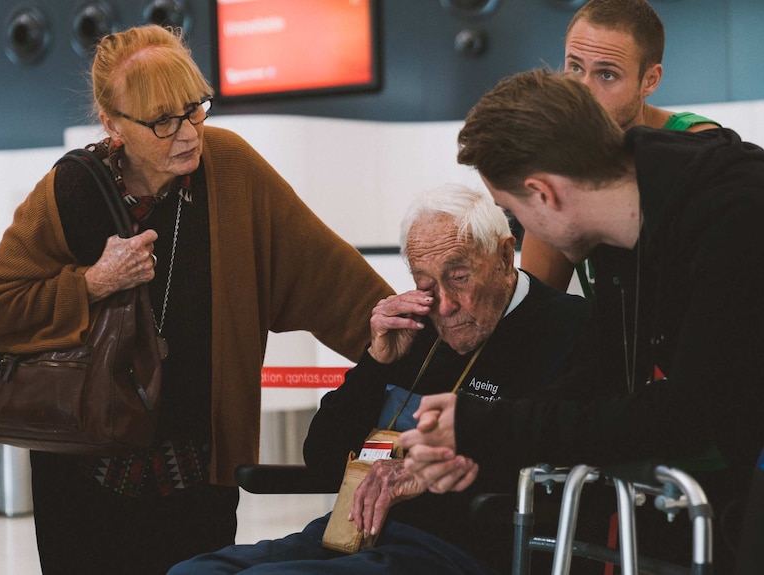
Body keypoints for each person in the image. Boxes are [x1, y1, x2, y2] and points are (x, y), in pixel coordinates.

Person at [0, 25, 393, 575]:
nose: (187, 134)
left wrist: (416, 344)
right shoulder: (69, 190)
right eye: (162, 121)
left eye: (194, 108)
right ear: (112, 124)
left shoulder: (231, 171)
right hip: (82, 478)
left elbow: (328, 275)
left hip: (195, 479)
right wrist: (89, 285)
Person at [398, 69, 764, 572]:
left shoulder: (736, 219)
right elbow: (604, 374)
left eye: (513, 213)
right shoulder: (624, 229)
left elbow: (681, 414)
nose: (524, 239)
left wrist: (489, 428)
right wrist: (479, 441)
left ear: (544, 193)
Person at [168, 185, 589, 574]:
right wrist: (377, 362)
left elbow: (555, 457)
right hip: (351, 534)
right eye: (425, 283)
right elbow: (323, 454)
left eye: (459, 277)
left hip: (455, 547)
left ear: (503, 255)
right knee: (192, 572)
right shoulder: (416, 329)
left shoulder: (567, 328)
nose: (442, 305)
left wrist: (428, 473)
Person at [520, 0, 720, 293]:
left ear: (650, 81)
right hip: (615, 336)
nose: (582, 90)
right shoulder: (556, 161)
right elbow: (537, 304)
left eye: (606, 74)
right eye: (575, 67)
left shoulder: (699, 147)